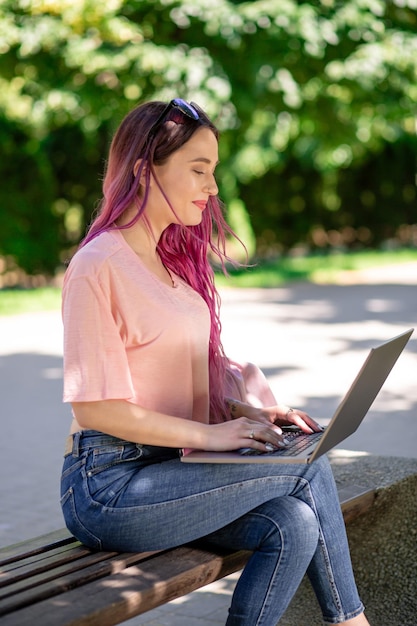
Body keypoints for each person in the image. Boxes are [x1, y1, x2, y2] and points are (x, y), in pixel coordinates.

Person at [60, 98, 371, 626]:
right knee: (307, 468)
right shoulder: (98, 265)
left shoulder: (171, 270)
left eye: (214, 171)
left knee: (292, 522)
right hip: (109, 486)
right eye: (198, 170)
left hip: (170, 473)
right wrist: (216, 438)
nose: (213, 187)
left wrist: (244, 413)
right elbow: (97, 411)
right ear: (144, 170)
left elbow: (167, 378)